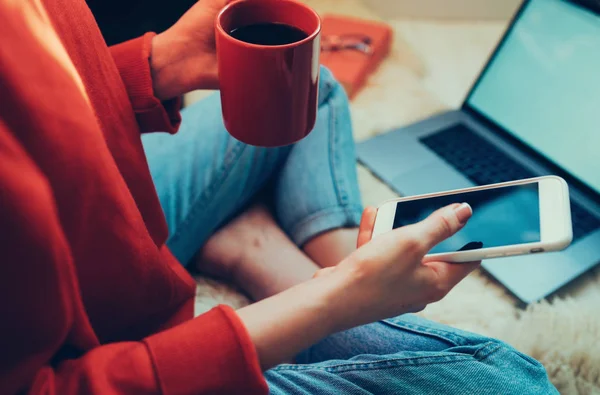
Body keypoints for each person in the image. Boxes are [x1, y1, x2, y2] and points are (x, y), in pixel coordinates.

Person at [0, 0, 557, 394]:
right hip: (98, 340)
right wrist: (333, 301)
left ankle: (303, 250)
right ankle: (276, 261)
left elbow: (38, 104)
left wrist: (157, 66)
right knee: (513, 382)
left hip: (94, 214)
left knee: (314, 87)